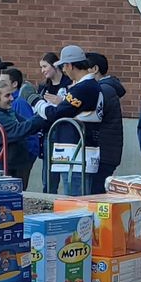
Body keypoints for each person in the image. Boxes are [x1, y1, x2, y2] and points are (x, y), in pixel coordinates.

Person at [36, 45, 99, 193]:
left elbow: (56, 114)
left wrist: (36, 102)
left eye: (64, 66)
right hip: (78, 152)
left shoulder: (83, 88)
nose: (63, 70)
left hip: (75, 155)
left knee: (74, 203)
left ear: (70, 65)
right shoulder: (86, 86)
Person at [0, 77, 46, 187]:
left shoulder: (8, 112)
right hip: (2, 166)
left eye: (11, 94)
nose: (12, 98)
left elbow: (27, 124)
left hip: (13, 164)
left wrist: (43, 118)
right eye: (7, 95)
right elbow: (18, 130)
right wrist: (43, 115)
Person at [86, 52, 125, 194]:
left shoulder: (104, 90)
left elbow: (91, 116)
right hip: (107, 152)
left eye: (84, 68)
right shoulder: (108, 88)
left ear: (94, 69)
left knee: (96, 193)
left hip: (103, 153)